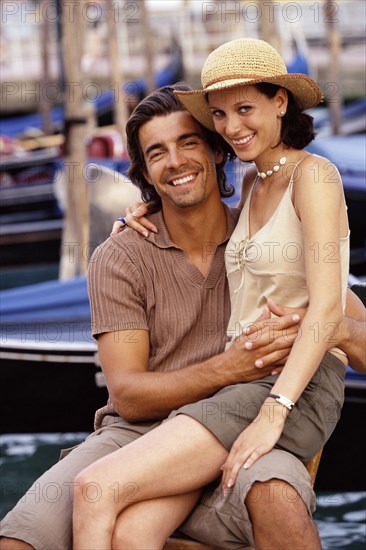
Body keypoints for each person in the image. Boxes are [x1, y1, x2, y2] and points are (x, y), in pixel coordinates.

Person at [1, 85, 364, 550]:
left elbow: (342, 319)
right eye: (157, 153)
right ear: (144, 173)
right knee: (19, 542)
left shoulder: (259, 237)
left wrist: (328, 328)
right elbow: (129, 397)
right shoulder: (121, 254)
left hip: (241, 416)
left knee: (276, 494)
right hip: (140, 433)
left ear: (218, 149)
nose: (175, 161)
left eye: (188, 142)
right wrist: (228, 367)